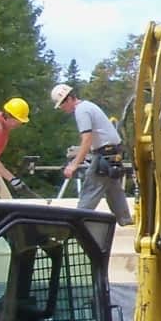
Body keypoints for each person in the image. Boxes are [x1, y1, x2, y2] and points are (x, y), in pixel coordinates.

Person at [52, 81, 130, 223]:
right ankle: (125, 220)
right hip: (113, 151)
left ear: (69, 99)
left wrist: (74, 165)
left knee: (90, 189)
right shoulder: (88, 106)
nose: (62, 108)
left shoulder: (81, 111)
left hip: (104, 154)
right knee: (113, 189)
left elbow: (87, 140)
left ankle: (77, 223)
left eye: (62, 104)